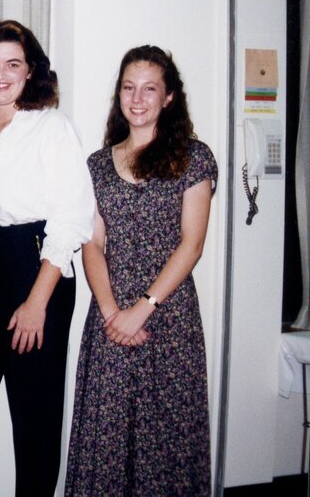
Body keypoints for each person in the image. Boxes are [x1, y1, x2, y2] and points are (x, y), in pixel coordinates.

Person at [65, 46, 216, 495]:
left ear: (168, 97)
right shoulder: (97, 164)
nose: (137, 98)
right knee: (107, 435)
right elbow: (93, 241)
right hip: (109, 318)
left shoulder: (193, 158)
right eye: (129, 87)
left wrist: (142, 309)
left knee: (165, 439)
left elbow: (192, 245)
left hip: (168, 319)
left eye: (150, 89)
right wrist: (113, 312)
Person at [0, 19, 94, 496]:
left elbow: (72, 218)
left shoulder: (51, 127)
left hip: (39, 269)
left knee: (33, 417)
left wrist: (36, 302)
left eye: (12, 63)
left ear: (31, 71)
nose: (0, 73)